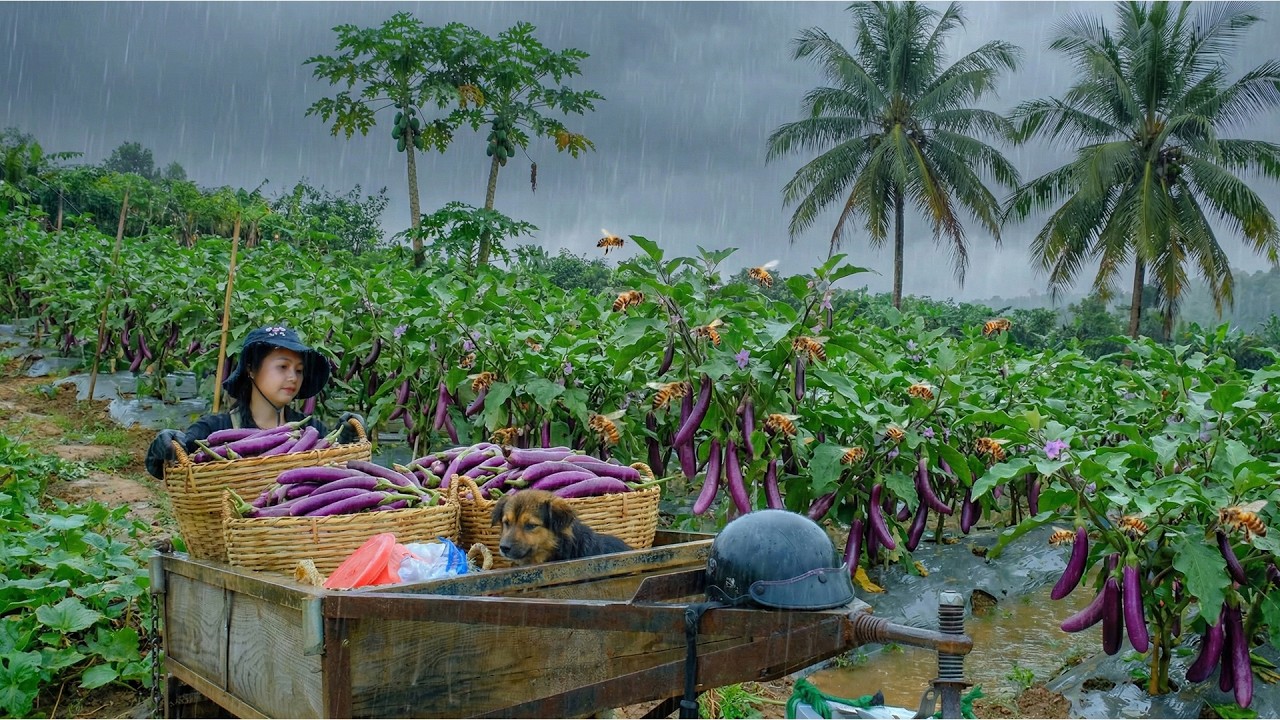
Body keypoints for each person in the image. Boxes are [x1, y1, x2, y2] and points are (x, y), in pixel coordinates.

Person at [145, 325, 362, 478]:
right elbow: (166, 469)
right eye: (282, 367)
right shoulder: (214, 431)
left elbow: (341, 477)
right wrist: (164, 446)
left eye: (299, 370)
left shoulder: (313, 430)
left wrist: (348, 444)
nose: (293, 377)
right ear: (251, 369)